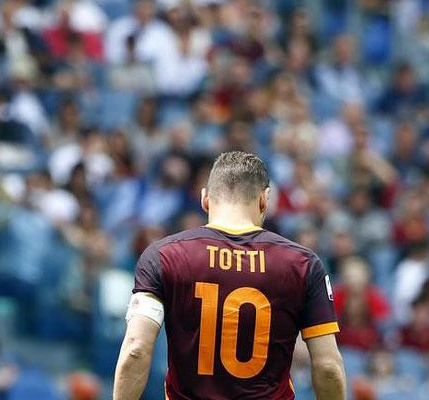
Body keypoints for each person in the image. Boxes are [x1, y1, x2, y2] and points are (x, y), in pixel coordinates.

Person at [113, 151, 346, 399]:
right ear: (264, 200)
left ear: (205, 199)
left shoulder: (163, 255)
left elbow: (136, 349)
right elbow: (328, 367)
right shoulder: (302, 264)